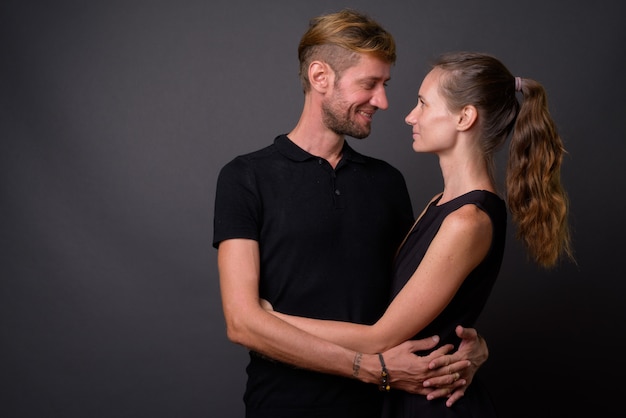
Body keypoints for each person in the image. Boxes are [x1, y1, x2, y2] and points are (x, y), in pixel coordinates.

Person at [262, 51, 575, 417]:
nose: (410, 115)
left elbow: (380, 336)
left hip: (430, 404)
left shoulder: (467, 221)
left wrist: (270, 321)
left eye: (424, 104)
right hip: (399, 397)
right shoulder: (439, 204)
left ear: (464, 117)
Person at [213, 10, 490, 418]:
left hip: (386, 409)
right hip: (284, 407)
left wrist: (475, 347)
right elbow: (242, 322)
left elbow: (415, 300)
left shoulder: (387, 182)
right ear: (320, 77)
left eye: (385, 85)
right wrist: (371, 370)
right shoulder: (245, 177)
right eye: (370, 84)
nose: (383, 101)